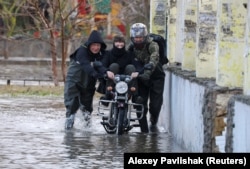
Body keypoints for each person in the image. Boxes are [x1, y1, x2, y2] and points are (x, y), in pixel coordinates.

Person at [64, 30, 107, 130]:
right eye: (94, 45)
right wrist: (96, 74)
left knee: (87, 106)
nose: (96, 48)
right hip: (75, 78)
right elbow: (85, 65)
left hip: (89, 81)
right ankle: (69, 126)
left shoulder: (102, 54)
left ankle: (87, 128)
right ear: (89, 44)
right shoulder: (81, 51)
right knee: (72, 102)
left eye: (98, 45)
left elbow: (104, 65)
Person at [129, 23, 166, 133]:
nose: (138, 40)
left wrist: (148, 71)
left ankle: (153, 122)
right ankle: (143, 130)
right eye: (136, 38)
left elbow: (154, 57)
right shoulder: (131, 48)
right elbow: (126, 59)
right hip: (141, 77)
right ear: (132, 38)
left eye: (140, 37)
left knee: (155, 105)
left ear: (145, 37)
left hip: (156, 76)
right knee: (140, 102)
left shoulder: (153, 44)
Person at [99, 35, 139, 105]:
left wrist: (137, 72)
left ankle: (134, 95)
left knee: (131, 67)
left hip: (127, 79)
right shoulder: (108, 53)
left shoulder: (129, 54)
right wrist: (107, 71)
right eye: (117, 42)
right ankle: (108, 95)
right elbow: (103, 65)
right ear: (114, 43)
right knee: (114, 66)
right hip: (113, 78)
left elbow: (137, 65)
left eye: (121, 42)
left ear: (124, 43)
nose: (119, 44)